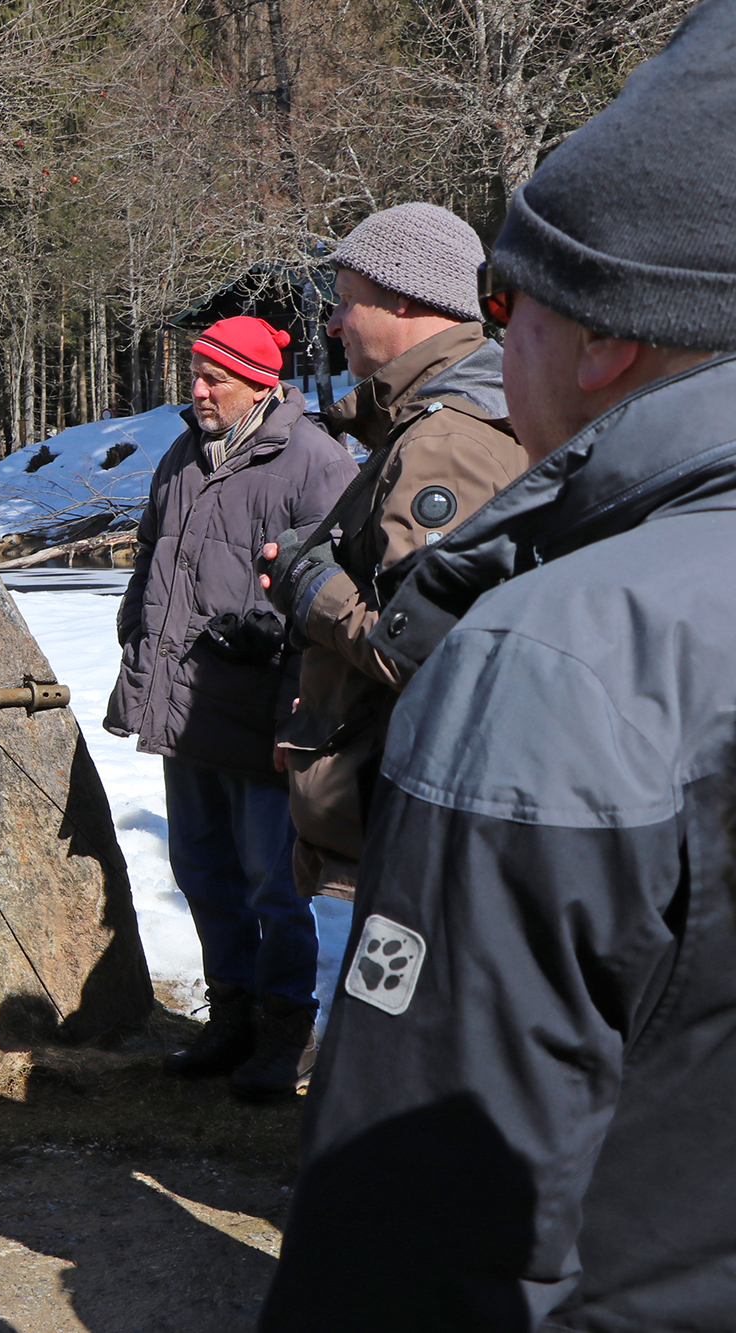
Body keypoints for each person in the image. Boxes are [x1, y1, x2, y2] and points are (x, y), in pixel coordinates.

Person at [263, 2, 736, 1324]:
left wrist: (311, 589)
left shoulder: (564, 660)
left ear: (607, 339)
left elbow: (415, 1230)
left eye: (510, 299)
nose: (489, 336)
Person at [105, 315, 354, 1101]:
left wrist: (294, 700)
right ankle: (232, 1019)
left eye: (216, 377)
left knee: (272, 884)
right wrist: (134, 635)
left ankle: (288, 1030)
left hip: (265, 716)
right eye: (195, 373)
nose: (199, 389)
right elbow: (153, 556)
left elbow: (335, 597)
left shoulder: (315, 462)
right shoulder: (185, 452)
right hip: (185, 709)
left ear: (261, 382)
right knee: (202, 872)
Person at [257, 203, 526, 899]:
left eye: (347, 301)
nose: (333, 322)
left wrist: (309, 587)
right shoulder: (444, 418)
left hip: (413, 845)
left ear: (404, 298)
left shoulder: (444, 445)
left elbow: (429, 654)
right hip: (410, 828)